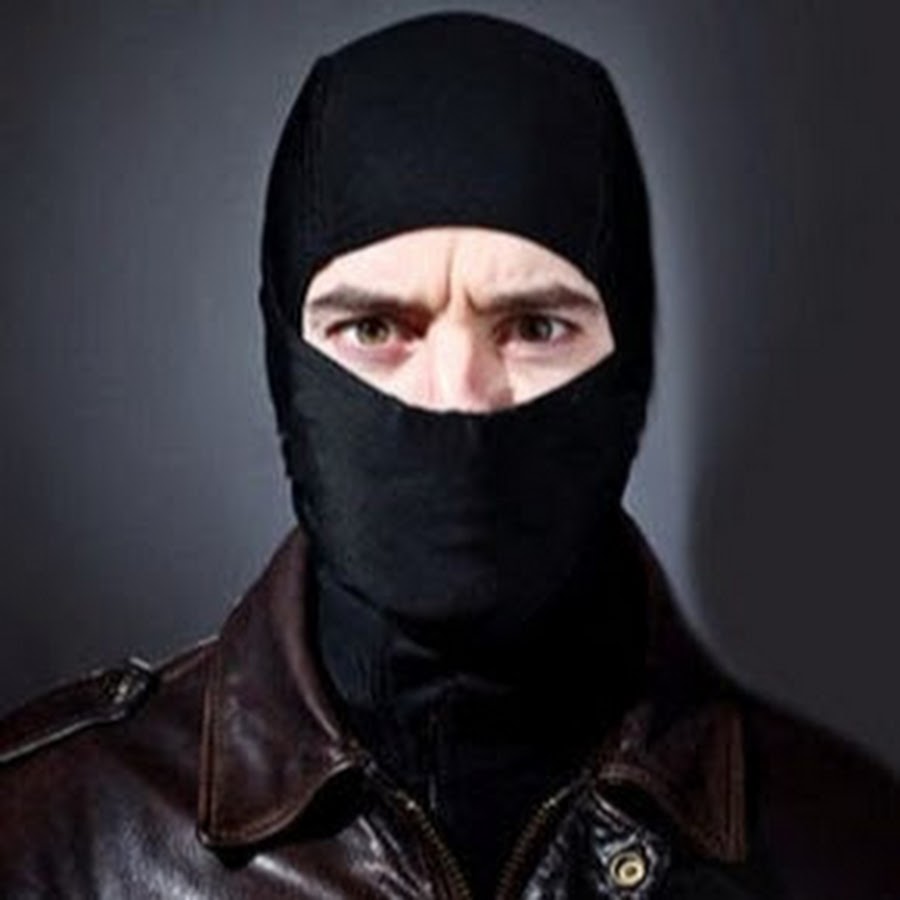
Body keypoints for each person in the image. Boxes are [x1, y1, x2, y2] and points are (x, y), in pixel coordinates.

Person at [1, 11, 898, 899]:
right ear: (284, 360)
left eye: (535, 327)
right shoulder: (57, 839)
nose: (457, 398)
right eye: (375, 327)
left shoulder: (849, 846)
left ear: (631, 360)